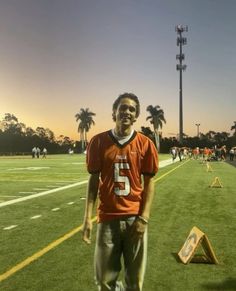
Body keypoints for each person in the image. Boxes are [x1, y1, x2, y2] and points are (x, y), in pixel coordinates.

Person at [82, 93, 158, 291]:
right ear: (114, 112)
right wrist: (87, 217)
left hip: (135, 219)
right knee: (105, 282)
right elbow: (93, 180)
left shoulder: (145, 143)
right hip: (107, 219)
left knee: (134, 282)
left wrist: (144, 218)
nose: (127, 111)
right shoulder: (98, 142)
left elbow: (149, 182)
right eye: (123, 107)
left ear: (136, 116)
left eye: (132, 109)